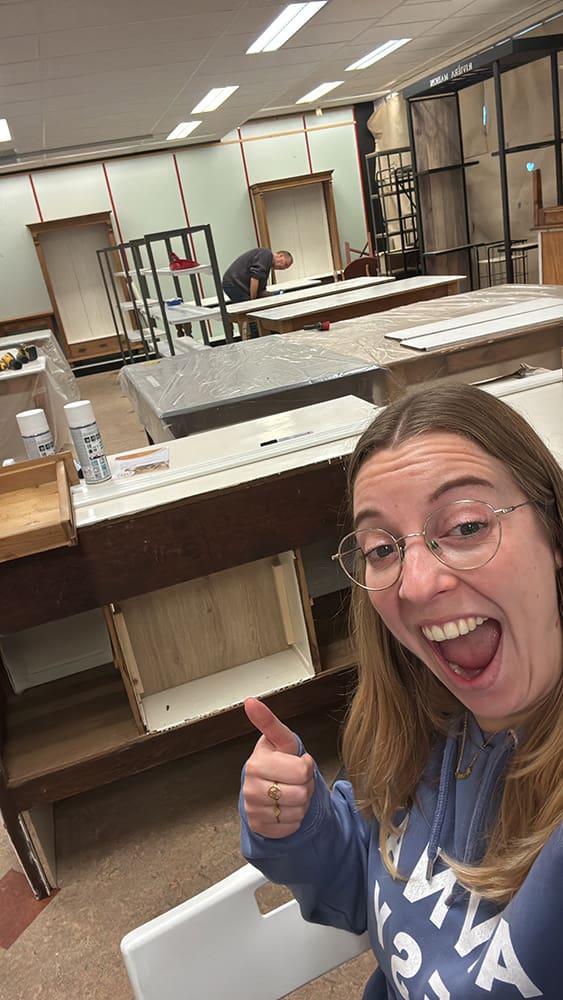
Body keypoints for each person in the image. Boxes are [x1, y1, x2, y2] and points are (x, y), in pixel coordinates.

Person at [240, 381, 562, 999]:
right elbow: (369, 886)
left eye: (466, 526)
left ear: (554, 535)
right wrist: (299, 821)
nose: (415, 584)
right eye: (383, 549)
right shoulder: (420, 726)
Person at [222, 247, 293, 303]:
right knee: (249, 310)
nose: (283, 268)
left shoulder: (266, 266)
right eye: (285, 264)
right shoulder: (266, 255)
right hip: (234, 283)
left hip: (235, 284)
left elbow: (260, 292)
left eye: (286, 268)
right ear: (280, 256)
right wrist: (253, 302)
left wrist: (274, 294)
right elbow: (255, 278)